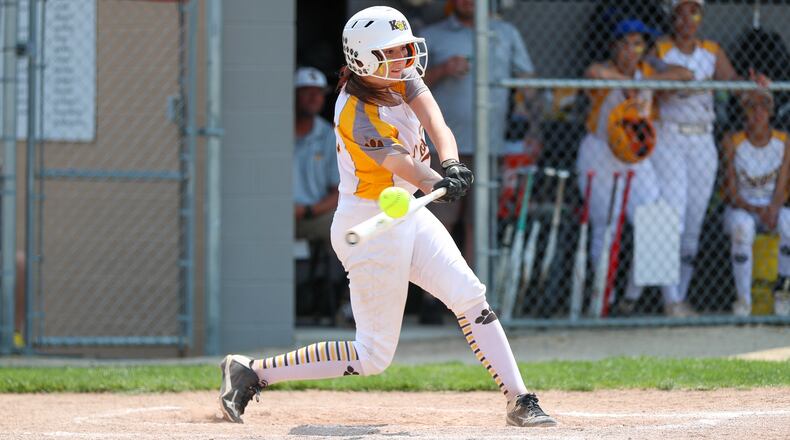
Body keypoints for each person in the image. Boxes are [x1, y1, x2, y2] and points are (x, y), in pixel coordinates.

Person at [217, 6, 556, 428]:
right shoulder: (354, 112)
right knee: (372, 356)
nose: (405, 59)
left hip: (407, 212)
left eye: (405, 49)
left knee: (470, 296)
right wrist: (437, 181)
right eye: (392, 52)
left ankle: (519, 398)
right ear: (363, 58)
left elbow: (436, 122)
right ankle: (252, 371)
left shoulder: (402, 76)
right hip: (371, 222)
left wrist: (450, 165)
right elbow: (401, 165)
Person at [648, 0, 769, 317]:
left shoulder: (711, 51)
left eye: (695, 12)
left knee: (693, 220)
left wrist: (752, 88)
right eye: (682, 12)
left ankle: (681, 297)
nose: (689, 19)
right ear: (673, 17)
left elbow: (735, 88)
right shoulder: (659, 49)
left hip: (702, 137)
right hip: (669, 135)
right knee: (667, 213)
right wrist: (674, 78)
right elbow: (650, 86)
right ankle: (667, 298)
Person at [576, 19, 692, 316]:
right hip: (600, 154)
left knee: (656, 219)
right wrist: (623, 81)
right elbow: (593, 72)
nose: (631, 50)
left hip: (636, 158)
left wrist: (648, 76)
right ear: (615, 46)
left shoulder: (648, 72)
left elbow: (686, 74)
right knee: (607, 225)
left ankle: (668, 301)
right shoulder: (603, 70)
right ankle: (602, 301)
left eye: (638, 44)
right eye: (626, 43)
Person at [420, 0, 540, 265]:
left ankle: (471, 295)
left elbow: (528, 83)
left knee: (479, 225)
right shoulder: (432, 35)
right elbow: (407, 85)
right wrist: (443, 69)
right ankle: (433, 300)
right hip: (444, 148)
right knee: (440, 223)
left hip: (489, 148)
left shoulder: (506, 33)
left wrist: (533, 126)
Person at [722, 89, 790, 317]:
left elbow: (782, 186)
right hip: (742, 207)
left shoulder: (784, 141)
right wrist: (756, 209)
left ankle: (783, 294)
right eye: (752, 106)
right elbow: (731, 193)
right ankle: (744, 301)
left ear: (772, 111)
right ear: (744, 111)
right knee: (743, 228)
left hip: (772, 205)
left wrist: (773, 208)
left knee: (789, 224)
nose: (758, 112)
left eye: (764, 106)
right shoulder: (733, 141)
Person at [293, 66, 347, 321]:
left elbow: (339, 188)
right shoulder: (274, 130)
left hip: (314, 214)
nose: (314, 98)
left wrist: (311, 210)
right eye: (306, 92)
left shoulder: (327, 133)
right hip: (274, 217)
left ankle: (340, 306)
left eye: (319, 93)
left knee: (347, 230)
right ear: (293, 95)